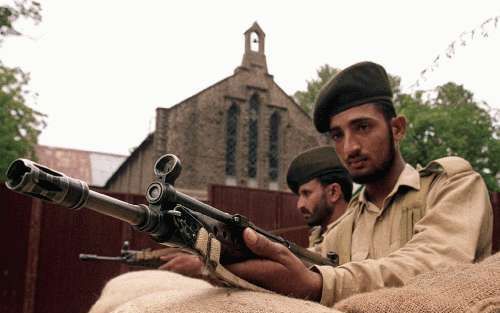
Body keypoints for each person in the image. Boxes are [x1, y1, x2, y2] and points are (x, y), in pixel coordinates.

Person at [221, 61, 493, 305]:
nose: (349, 147)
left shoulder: (451, 185)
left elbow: (438, 266)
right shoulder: (343, 226)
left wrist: (321, 284)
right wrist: (219, 259)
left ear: (397, 128)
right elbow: (304, 265)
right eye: (338, 135)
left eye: (362, 127)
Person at [286, 146, 352, 253]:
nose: (300, 205)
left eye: (306, 193)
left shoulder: (355, 234)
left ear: (333, 192)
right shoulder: (318, 235)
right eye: (299, 196)